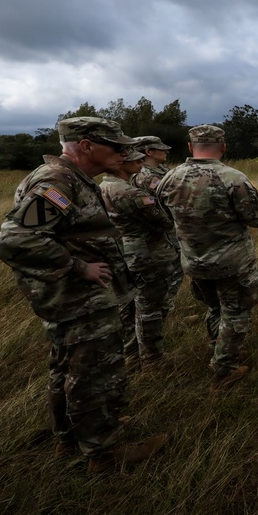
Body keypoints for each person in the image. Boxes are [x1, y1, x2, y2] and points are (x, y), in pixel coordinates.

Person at [0, 117, 167, 473]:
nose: (123, 152)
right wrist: (79, 267)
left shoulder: (70, 179)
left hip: (71, 298)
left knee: (68, 365)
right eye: (115, 146)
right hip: (78, 297)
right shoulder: (57, 180)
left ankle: (70, 437)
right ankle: (103, 453)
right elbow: (14, 240)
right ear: (86, 145)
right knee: (94, 370)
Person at [156, 125, 258, 392]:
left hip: (194, 263)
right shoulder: (233, 178)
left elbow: (164, 216)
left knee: (215, 308)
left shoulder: (169, 178)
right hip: (232, 265)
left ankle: (219, 349)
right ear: (223, 147)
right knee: (235, 313)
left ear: (191, 147)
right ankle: (224, 370)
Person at [100, 147, 176, 370]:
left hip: (122, 252)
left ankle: (131, 353)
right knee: (150, 307)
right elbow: (164, 221)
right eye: (134, 160)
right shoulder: (132, 194)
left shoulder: (102, 187)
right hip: (147, 254)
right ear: (120, 164)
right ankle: (152, 359)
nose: (140, 163)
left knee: (129, 306)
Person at [131, 135, 184, 323]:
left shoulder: (158, 170)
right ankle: (161, 316)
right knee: (171, 273)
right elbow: (171, 198)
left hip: (167, 231)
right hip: (161, 232)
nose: (166, 151)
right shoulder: (147, 176)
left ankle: (163, 312)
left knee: (174, 271)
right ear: (149, 152)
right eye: (161, 148)